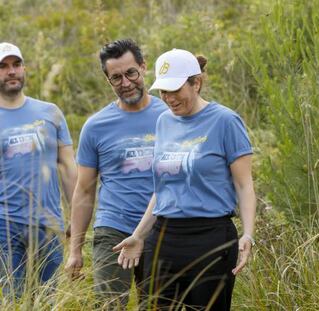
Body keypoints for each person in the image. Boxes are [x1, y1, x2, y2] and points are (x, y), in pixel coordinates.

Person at [113, 48, 256, 310]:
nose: (168, 98)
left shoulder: (225, 121)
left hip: (211, 239)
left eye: (175, 89)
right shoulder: (163, 122)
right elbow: (162, 189)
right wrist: (139, 235)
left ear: (196, 82)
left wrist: (248, 234)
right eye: (163, 91)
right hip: (164, 239)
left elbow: (245, 185)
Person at [64, 39, 167, 308]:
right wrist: (75, 249)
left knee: (160, 304)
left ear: (143, 68)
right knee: (109, 305)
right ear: (107, 79)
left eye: (131, 73)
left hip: (163, 228)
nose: (125, 82)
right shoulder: (96, 126)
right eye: (116, 77)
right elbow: (84, 190)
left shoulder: (169, 114)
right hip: (113, 230)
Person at [0, 42, 77, 297]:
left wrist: (76, 220)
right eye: (3, 66)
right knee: (13, 299)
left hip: (49, 226)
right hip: (5, 227)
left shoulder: (50, 112)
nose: (11, 71)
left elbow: (68, 167)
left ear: (24, 69)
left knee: (48, 299)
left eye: (16, 64)